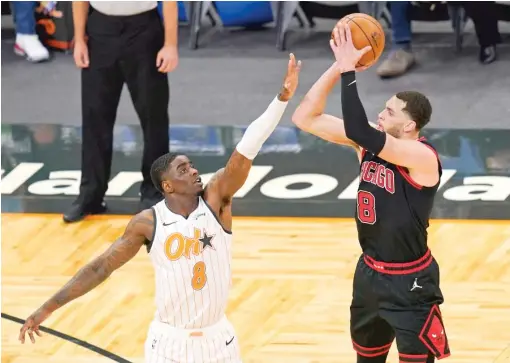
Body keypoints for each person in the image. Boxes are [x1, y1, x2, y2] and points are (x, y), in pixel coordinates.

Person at [19, 54, 302, 363]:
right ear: (167, 186)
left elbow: (248, 146)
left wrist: (282, 98)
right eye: (183, 170)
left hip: (218, 340)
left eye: (192, 166)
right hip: (169, 343)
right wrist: (48, 307)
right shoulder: (147, 223)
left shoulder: (216, 198)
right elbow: (101, 268)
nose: (194, 171)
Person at [292, 23, 449, 363]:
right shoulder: (368, 145)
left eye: (390, 112)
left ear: (409, 126)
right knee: (367, 358)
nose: (381, 113)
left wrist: (350, 71)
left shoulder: (421, 157)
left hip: (410, 281)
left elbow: (360, 129)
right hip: (368, 274)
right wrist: (338, 66)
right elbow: (305, 116)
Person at [63, 1, 179, 223]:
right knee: (94, 115)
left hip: (144, 29)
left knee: (153, 115)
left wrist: (171, 44)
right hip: (99, 30)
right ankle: (91, 195)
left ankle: (153, 193)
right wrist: (78, 39)